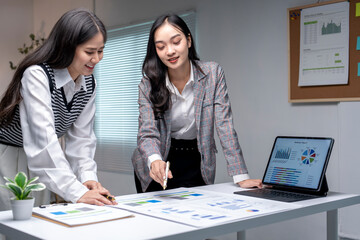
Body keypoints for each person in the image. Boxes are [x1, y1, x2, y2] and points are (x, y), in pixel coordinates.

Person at [0, 8, 116, 211]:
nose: (97, 59)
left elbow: (82, 139)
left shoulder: (89, 84)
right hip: (8, 154)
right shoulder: (37, 75)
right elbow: (43, 141)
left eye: (100, 50)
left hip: (38, 159)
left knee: (40, 220)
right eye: (89, 52)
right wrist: (76, 192)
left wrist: (87, 178)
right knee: (12, 222)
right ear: (68, 47)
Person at [132, 13, 262, 193]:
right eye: (161, 47)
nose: (170, 51)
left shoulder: (212, 74)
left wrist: (241, 176)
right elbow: (147, 132)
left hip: (197, 159)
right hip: (159, 163)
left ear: (189, 41)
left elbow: (224, 126)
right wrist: (154, 160)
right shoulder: (148, 84)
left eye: (176, 42)